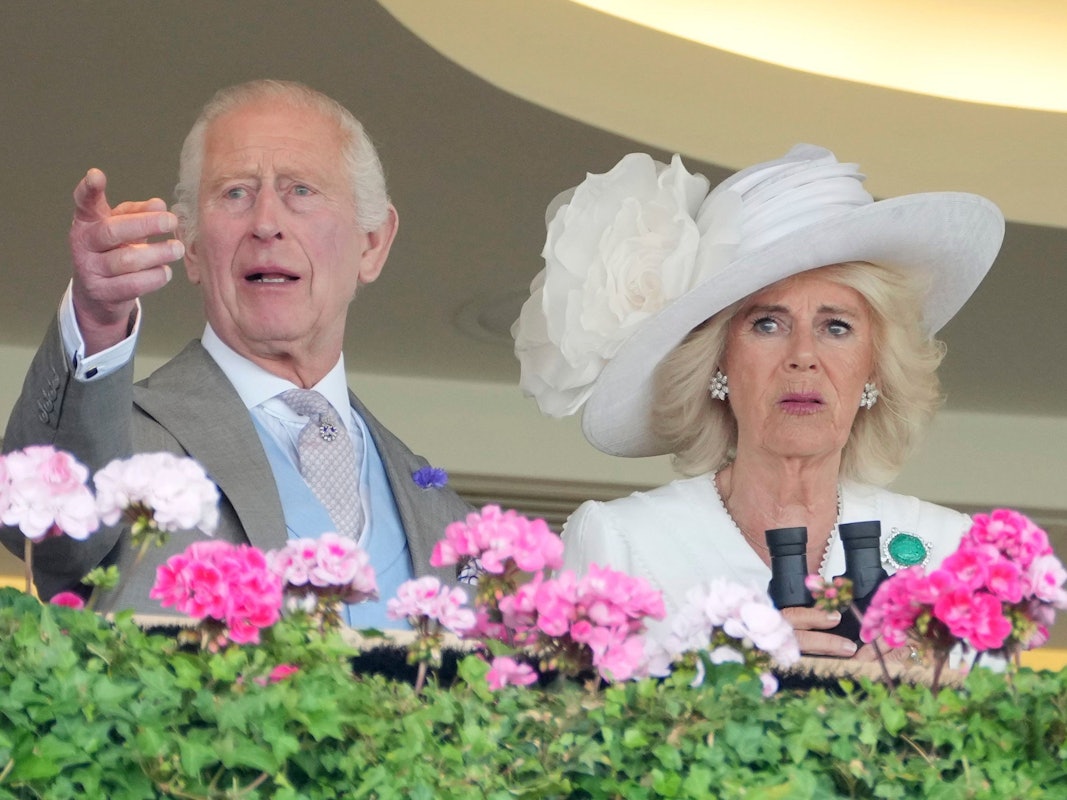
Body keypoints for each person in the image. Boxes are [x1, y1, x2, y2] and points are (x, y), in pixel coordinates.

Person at [1, 80, 472, 623]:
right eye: (235, 193)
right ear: (194, 248)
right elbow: (37, 528)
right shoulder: (122, 440)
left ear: (372, 243)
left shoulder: (442, 514)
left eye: (301, 190)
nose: (266, 223)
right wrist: (97, 318)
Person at [512, 144, 1004, 657]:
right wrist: (736, 671)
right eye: (767, 324)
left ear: (874, 370)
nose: (803, 357)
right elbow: (569, 729)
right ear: (718, 361)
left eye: (836, 327)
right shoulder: (622, 541)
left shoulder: (951, 546)